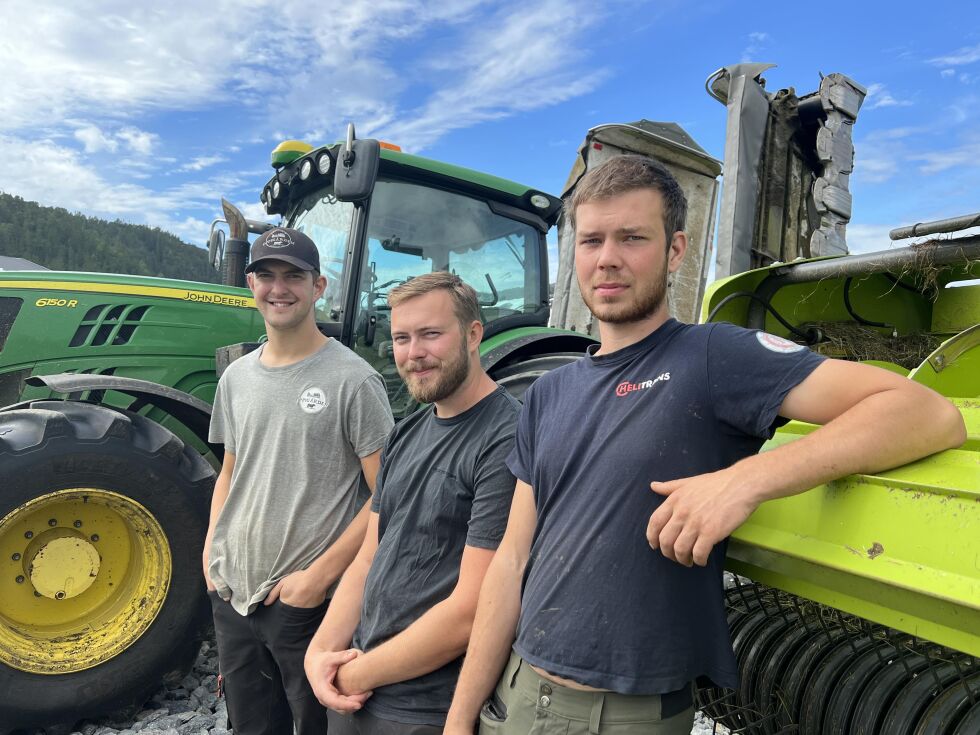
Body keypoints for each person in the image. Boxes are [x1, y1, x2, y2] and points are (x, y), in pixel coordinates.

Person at [443, 155, 967, 735]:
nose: (607, 258)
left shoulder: (713, 356)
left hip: (623, 716)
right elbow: (509, 564)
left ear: (674, 250)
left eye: (632, 238)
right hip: (515, 696)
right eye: (591, 240)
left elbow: (927, 413)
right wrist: (462, 716)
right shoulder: (548, 393)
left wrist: (746, 480)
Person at [304, 272, 522, 734]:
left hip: (423, 708)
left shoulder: (506, 439)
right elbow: (368, 557)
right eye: (402, 338)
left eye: (430, 334)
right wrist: (319, 653)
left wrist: (351, 674)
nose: (412, 353)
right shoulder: (407, 432)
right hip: (358, 686)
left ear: (473, 334)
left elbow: (472, 609)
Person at [205, 227, 395, 735]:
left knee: (315, 724)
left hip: (304, 605)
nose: (279, 287)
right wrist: (210, 556)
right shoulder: (236, 379)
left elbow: (388, 498)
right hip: (232, 591)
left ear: (319, 287)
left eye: (294, 275)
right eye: (266, 275)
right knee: (251, 724)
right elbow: (229, 472)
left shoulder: (353, 381)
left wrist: (316, 581)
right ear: (251, 283)